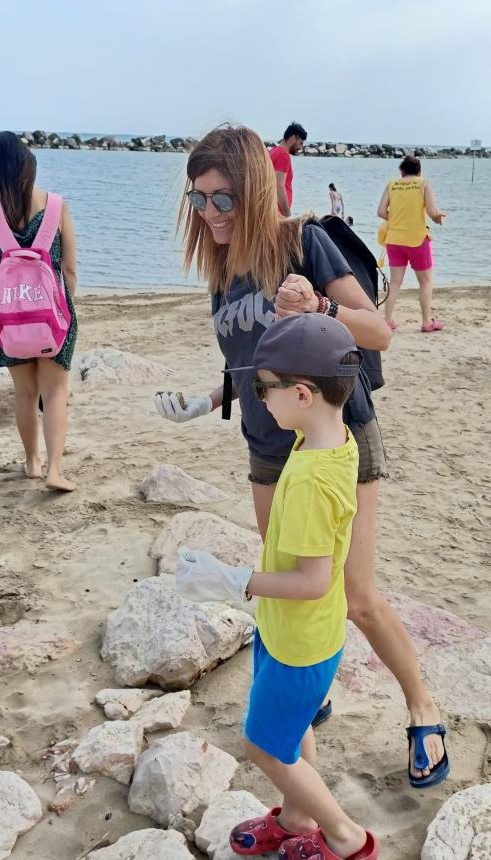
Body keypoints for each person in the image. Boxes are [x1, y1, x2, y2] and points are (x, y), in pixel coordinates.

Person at [154, 124, 449, 791]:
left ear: (255, 190)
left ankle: (422, 708)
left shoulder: (302, 241)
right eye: (199, 200)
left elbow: (377, 331)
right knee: (288, 588)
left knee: (352, 593)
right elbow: (253, 363)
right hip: (265, 448)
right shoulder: (223, 269)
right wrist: (205, 399)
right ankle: (313, 689)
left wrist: (318, 305)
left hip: (336, 440)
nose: (209, 214)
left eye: (222, 199)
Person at [176, 313, 379, 860]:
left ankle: (346, 837)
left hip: (301, 644)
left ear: (304, 393)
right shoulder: (329, 441)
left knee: (263, 747)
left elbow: (312, 581)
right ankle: (296, 817)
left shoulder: (315, 476)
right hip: (292, 631)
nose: (258, 398)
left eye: (264, 387)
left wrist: (232, 579)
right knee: (288, 732)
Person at [0, 131, 78, 491]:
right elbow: (71, 271)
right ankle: (55, 470)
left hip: (8, 321)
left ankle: (32, 462)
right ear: (29, 167)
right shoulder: (56, 206)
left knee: (25, 393)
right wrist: (62, 308)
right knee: (55, 391)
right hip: (53, 319)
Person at [377, 155, 446, 333]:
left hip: (394, 239)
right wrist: (437, 217)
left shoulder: (393, 184)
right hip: (417, 240)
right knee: (425, 282)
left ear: (402, 171)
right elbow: (432, 212)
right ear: (419, 171)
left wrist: (397, 220)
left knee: (394, 283)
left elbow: (381, 211)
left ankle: (387, 321)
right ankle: (426, 322)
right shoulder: (424, 183)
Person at [269, 122, 308, 216]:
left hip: (272, 212)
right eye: (300, 143)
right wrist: (288, 216)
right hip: (278, 215)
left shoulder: (274, 151)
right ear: (293, 139)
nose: (300, 147)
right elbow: (279, 187)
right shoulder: (283, 155)